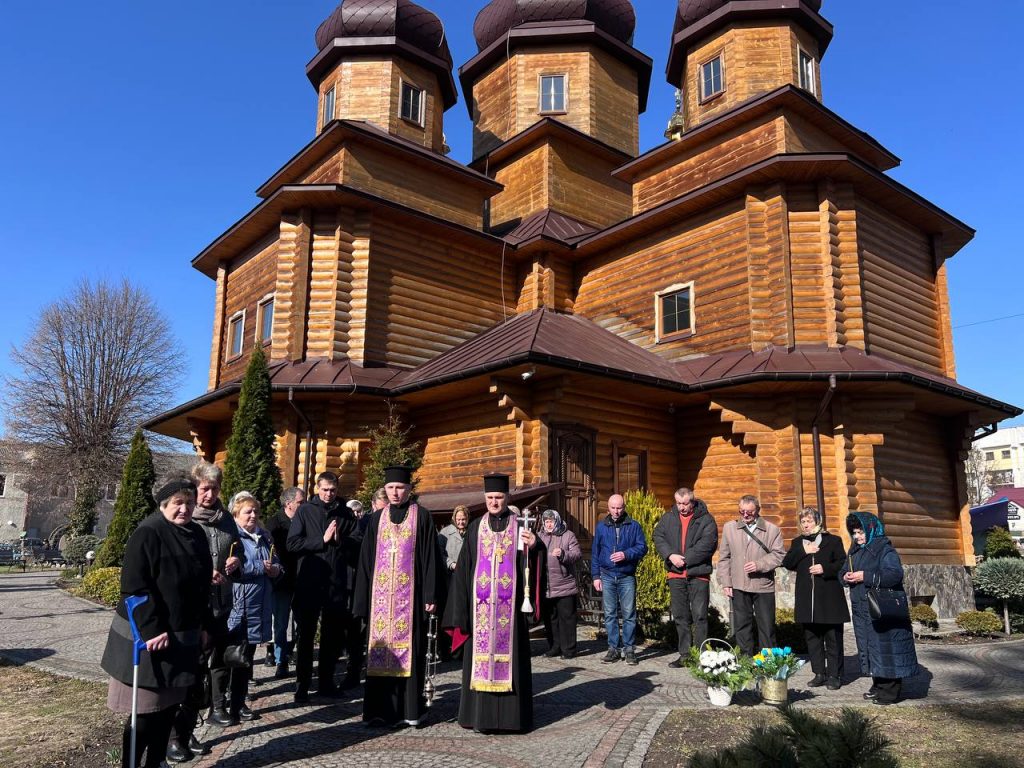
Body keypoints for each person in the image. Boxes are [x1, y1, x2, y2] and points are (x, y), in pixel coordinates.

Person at [100, 475, 212, 768]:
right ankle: (131, 764)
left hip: (183, 637)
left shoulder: (197, 534)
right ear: (164, 504)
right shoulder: (148, 533)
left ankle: (157, 762)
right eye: (178, 503)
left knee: (169, 708)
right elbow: (135, 588)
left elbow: (201, 588)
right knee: (146, 711)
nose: (185, 509)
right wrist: (152, 630)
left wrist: (204, 627)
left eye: (189, 502)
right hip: (148, 640)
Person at [443, 473, 544, 733]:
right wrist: (460, 609)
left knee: (512, 662)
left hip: (509, 615)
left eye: (499, 497)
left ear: (507, 497)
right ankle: (478, 717)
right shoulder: (476, 527)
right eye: (490, 498)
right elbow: (464, 570)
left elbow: (530, 567)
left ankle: (512, 719)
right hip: (481, 614)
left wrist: (536, 546)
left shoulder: (520, 524)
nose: (494, 502)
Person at [352, 466, 439, 727]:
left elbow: (430, 558)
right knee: (378, 655)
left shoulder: (421, 517)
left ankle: (410, 711)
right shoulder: (376, 519)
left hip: (409, 601)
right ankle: (379, 711)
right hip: (380, 602)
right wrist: (362, 599)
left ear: (409, 490)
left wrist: (430, 593)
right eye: (390, 488)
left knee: (410, 653)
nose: (395, 492)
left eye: (400, 488)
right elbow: (366, 560)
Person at [167, 462, 240, 763]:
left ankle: (190, 729)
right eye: (204, 489)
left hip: (219, 603)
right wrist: (201, 573)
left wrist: (237, 563)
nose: (209, 494)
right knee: (187, 670)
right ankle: (174, 737)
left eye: (214, 489)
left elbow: (239, 551)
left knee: (208, 668)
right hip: (191, 608)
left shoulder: (226, 520)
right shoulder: (182, 519)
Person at [287, 470, 361, 701]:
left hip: (336, 583)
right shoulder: (306, 511)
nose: (329, 494)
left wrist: (341, 541)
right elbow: (292, 543)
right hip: (310, 581)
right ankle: (303, 685)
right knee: (306, 636)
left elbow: (358, 543)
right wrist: (322, 540)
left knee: (332, 637)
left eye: (333, 490)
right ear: (317, 489)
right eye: (325, 490)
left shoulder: (346, 513)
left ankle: (327, 683)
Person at [840, 512, 919, 705]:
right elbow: (842, 571)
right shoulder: (855, 551)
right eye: (854, 533)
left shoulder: (884, 549)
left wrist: (864, 576)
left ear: (871, 529)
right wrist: (845, 577)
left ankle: (890, 692)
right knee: (871, 648)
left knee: (886, 648)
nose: (857, 536)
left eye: (860, 532)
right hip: (862, 609)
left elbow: (894, 575)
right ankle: (878, 685)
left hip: (882, 608)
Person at [224, 491, 282, 723]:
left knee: (246, 658)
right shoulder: (234, 538)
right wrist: (262, 568)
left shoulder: (264, 536)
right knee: (233, 657)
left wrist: (276, 570)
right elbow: (234, 571)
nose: (253, 515)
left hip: (260, 605)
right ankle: (223, 703)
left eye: (256, 511)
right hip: (239, 605)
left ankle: (239, 702)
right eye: (248, 511)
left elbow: (276, 563)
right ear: (236, 515)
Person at [782, 506, 849, 690]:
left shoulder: (833, 540)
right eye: (803, 522)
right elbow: (787, 562)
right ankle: (819, 673)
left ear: (818, 521)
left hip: (829, 598)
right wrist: (805, 551)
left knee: (833, 638)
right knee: (813, 638)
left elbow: (842, 563)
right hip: (807, 600)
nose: (805, 525)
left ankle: (835, 675)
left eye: (809, 521)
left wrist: (824, 568)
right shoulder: (798, 543)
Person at [653, 487, 718, 667]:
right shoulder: (668, 518)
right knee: (681, 616)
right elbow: (658, 536)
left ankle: (702, 656)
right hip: (675, 574)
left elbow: (708, 544)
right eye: (679, 503)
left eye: (685, 503)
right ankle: (685, 655)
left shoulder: (706, 519)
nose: (681, 507)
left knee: (700, 616)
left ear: (692, 501)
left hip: (698, 575)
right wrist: (670, 555)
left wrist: (685, 559)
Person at [717, 495, 786, 657]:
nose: (745, 515)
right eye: (742, 511)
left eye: (749, 512)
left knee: (766, 626)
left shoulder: (772, 529)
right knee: (741, 625)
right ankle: (745, 659)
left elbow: (779, 555)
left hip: (763, 585)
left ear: (758, 511)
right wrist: (726, 582)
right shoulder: (729, 528)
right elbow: (724, 557)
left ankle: (768, 660)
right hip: (739, 585)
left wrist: (759, 565)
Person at [591, 494, 647, 665]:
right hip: (607, 575)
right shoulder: (601, 527)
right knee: (610, 614)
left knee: (629, 614)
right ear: (608, 508)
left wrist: (626, 554)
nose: (616, 511)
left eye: (619, 508)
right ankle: (613, 648)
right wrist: (595, 576)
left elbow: (642, 548)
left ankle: (629, 649)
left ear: (624, 507)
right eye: (613, 508)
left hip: (626, 576)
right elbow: (595, 552)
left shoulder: (634, 525)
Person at [266, 486, 305, 679]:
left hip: (302, 578)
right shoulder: (274, 523)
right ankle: (281, 660)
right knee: (281, 623)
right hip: (282, 580)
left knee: (301, 622)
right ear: (289, 503)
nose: (303, 505)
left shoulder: (305, 519)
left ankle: (294, 654)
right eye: (300, 502)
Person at [537, 509, 582, 660]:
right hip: (547, 586)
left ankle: (569, 649)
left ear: (557, 521)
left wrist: (563, 554)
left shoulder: (568, 535)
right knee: (551, 619)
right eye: (547, 521)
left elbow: (576, 554)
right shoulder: (540, 536)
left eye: (551, 521)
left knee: (567, 619)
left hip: (565, 585)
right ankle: (554, 647)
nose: (549, 524)